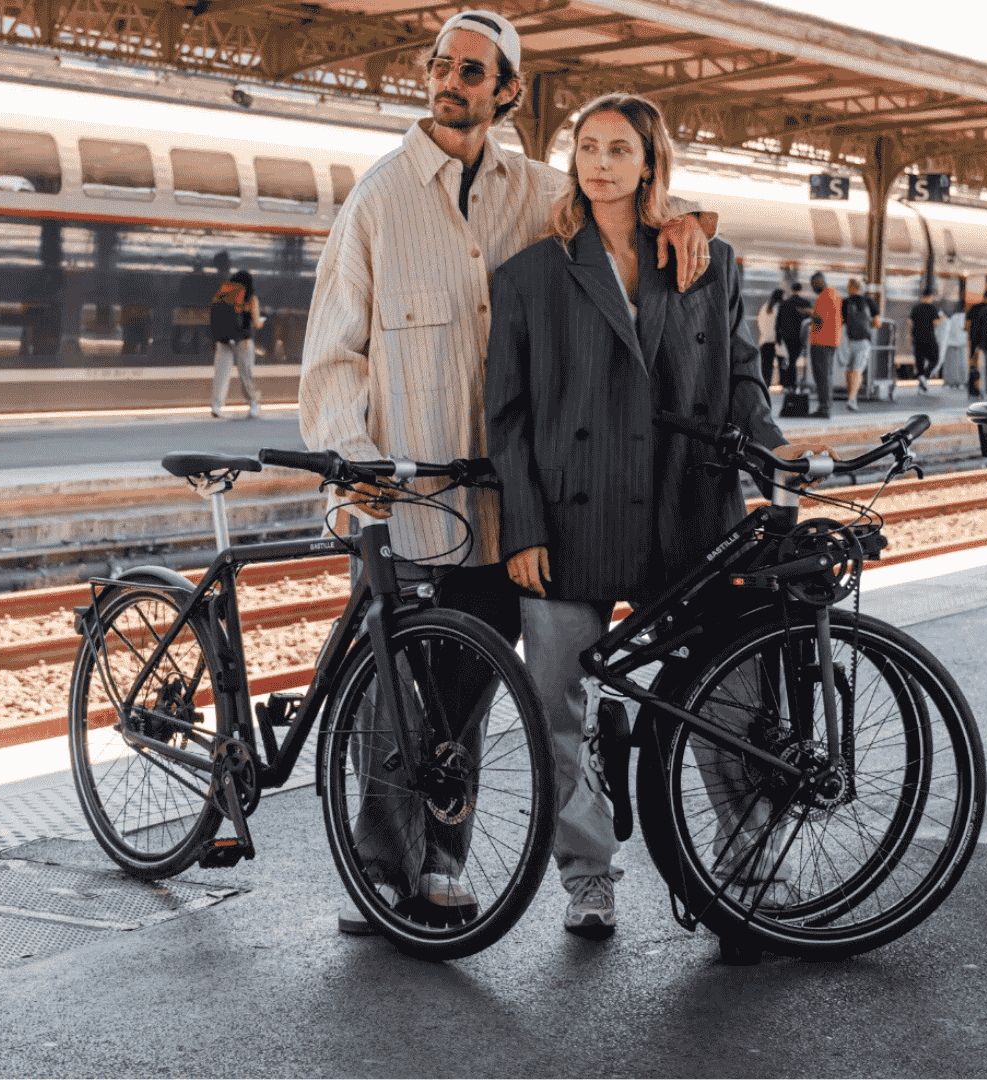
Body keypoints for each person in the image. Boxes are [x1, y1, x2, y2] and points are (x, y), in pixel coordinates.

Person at [299, 9, 716, 937]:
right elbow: (332, 353)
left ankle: (439, 864)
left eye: (474, 72)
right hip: (406, 501)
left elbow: (623, 214)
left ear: (506, 91)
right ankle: (380, 875)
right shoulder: (377, 200)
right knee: (391, 697)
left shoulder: (538, 192)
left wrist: (687, 219)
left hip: (501, 506)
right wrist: (356, 467)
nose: (452, 83)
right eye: (442, 67)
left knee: (465, 696)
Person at [486, 92, 825, 939]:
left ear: (649, 163)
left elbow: (743, 377)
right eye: (587, 148)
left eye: (620, 149)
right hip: (571, 520)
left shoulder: (705, 259)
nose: (600, 163)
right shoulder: (531, 274)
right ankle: (588, 878)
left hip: (689, 516)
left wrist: (774, 448)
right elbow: (509, 415)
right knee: (556, 710)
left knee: (729, 701)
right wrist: (521, 526)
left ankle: (751, 872)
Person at [209, 269, 264, 419]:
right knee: (245, 374)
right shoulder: (251, 299)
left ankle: (216, 406)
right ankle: (254, 404)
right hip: (244, 341)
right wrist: (261, 323)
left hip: (224, 339)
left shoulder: (224, 295)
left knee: (221, 373)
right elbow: (257, 322)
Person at [836, 278, 878, 411]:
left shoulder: (845, 302)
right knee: (857, 370)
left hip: (850, 341)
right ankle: (852, 399)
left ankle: (851, 397)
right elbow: (877, 322)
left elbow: (840, 322)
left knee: (850, 370)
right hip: (864, 340)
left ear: (851, 287)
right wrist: (868, 324)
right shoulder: (868, 301)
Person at [807, 272, 840, 418]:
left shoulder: (825, 296)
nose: (813, 287)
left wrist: (808, 313)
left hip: (821, 341)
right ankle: (825, 406)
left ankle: (824, 408)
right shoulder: (834, 294)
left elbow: (820, 319)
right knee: (826, 375)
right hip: (830, 340)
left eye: (814, 284)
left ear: (819, 281)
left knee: (822, 376)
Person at [775, 281, 812, 392]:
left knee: (792, 359)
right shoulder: (805, 303)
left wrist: (778, 338)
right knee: (794, 359)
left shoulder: (784, 303)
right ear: (801, 290)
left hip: (787, 336)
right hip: (801, 336)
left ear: (791, 290)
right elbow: (810, 320)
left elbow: (778, 322)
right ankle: (795, 383)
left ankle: (791, 384)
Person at [908, 288, 941, 393]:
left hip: (917, 338)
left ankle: (921, 386)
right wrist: (941, 320)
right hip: (929, 338)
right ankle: (924, 377)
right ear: (930, 296)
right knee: (935, 359)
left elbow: (909, 322)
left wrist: (912, 334)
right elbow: (936, 323)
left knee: (920, 362)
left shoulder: (916, 308)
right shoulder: (932, 308)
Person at [756, 288, 783, 387]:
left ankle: (764, 389)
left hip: (764, 342)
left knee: (765, 369)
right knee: (780, 367)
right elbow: (778, 326)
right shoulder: (778, 308)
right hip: (774, 342)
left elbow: (759, 323)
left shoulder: (765, 307)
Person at [940, 301, 969, 389]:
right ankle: (961, 383)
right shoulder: (965, 317)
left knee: (951, 366)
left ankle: (949, 383)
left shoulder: (952, 317)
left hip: (951, 344)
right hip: (962, 344)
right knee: (962, 365)